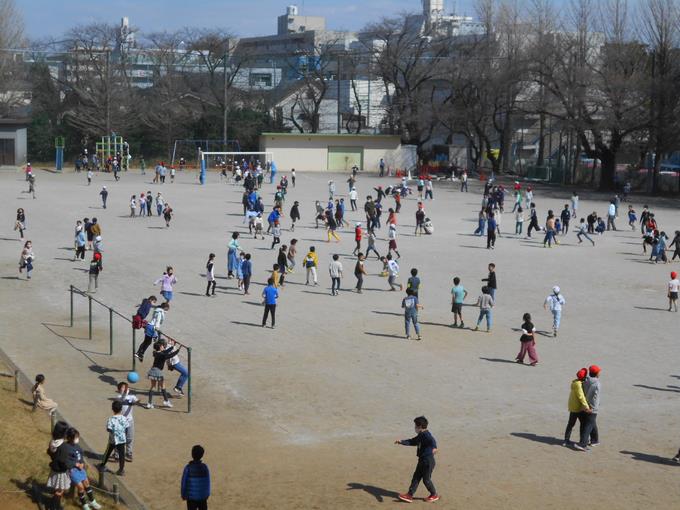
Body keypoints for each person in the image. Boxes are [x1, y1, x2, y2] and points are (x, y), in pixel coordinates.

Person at [395, 416, 439, 503]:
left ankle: (434, 494)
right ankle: (409, 495)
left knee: (426, 480)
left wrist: (434, 448)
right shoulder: (421, 435)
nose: (414, 428)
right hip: (422, 460)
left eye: (415, 426)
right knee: (416, 477)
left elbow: (432, 440)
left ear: (419, 427)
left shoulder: (426, 435)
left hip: (428, 461)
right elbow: (412, 441)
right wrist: (401, 442)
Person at [66, 428, 103, 509]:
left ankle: (92, 501)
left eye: (77, 437)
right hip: (73, 471)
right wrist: (76, 464)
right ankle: (84, 504)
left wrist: (82, 462)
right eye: (75, 437)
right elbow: (66, 461)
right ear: (69, 438)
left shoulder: (77, 446)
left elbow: (81, 456)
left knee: (86, 483)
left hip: (81, 469)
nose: (77, 439)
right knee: (81, 487)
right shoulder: (66, 448)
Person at [145, 338, 181, 409]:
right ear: (160, 347)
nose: (163, 347)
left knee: (153, 386)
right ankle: (166, 401)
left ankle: (149, 403)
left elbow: (166, 351)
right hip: (158, 372)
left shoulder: (156, 353)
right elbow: (170, 355)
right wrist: (178, 350)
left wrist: (172, 346)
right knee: (163, 386)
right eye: (162, 346)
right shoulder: (162, 355)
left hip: (152, 371)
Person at [97, 400, 127, 475]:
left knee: (107, 452)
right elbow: (126, 427)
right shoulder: (124, 418)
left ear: (112, 409)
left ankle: (102, 465)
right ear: (121, 409)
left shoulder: (111, 419)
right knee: (122, 454)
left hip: (113, 440)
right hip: (122, 439)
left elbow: (108, 429)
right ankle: (121, 469)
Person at [564, 368, 592, 448]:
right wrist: (586, 407)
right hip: (577, 407)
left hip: (574, 406)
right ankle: (569, 440)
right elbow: (581, 397)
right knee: (574, 423)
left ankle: (570, 440)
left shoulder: (576, 382)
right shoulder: (578, 385)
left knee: (574, 424)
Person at [576, 365, 602, 451]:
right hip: (591, 407)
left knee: (591, 422)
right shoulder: (596, 384)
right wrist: (589, 406)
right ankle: (583, 444)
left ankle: (595, 440)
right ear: (597, 374)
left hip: (584, 406)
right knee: (589, 424)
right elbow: (591, 395)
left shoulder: (585, 380)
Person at [46, 421, 71, 509]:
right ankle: (53, 507)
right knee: (60, 490)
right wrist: (69, 468)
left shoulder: (52, 442)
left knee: (57, 489)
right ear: (64, 434)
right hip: (61, 471)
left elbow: (49, 452)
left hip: (54, 470)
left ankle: (56, 505)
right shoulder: (64, 446)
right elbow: (63, 462)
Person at [181, 445, 211, 510]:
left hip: (191, 499)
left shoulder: (188, 468)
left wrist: (183, 495)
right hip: (202, 498)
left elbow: (183, 483)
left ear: (192, 454)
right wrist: (207, 494)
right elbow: (207, 483)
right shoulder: (205, 467)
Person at [117, 381, 138, 461]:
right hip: (120, 421)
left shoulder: (132, 397)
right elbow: (122, 399)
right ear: (119, 390)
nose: (125, 389)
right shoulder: (118, 397)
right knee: (119, 438)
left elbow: (136, 401)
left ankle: (128, 453)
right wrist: (125, 394)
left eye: (126, 387)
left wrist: (136, 402)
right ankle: (117, 454)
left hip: (130, 421)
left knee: (130, 438)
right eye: (123, 387)